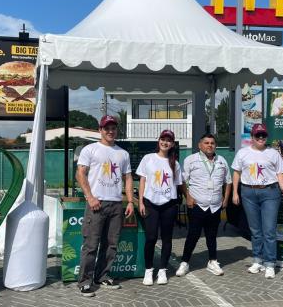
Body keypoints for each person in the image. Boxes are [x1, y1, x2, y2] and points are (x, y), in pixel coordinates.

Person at [75, 115, 134, 297]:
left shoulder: (123, 153)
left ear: (116, 130)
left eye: (113, 128)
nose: (110, 131)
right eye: (106, 128)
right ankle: (85, 282)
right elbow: (81, 174)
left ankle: (102, 276)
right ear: (100, 130)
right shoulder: (90, 149)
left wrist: (130, 201)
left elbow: (128, 178)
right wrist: (90, 197)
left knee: (111, 245)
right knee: (91, 245)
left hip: (116, 204)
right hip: (96, 203)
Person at [231, 124, 283, 278]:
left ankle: (269, 263)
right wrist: (235, 193)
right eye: (257, 136)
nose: (261, 138)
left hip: (270, 192)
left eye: (263, 136)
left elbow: (280, 173)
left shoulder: (273, 153)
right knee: (255, 231)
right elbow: (236, 173)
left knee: (268, 230)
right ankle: (257, 260)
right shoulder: (243, 153)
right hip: (248, 192)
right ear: (252, 137)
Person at [176, 133, 232, 277]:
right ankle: (185, 262)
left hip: (215, 206)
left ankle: (212, 261)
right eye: (206, 143)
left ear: (215, 145)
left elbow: (228, 182)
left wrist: (225, 199)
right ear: (200, 145)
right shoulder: (191, 160)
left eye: (212, 143)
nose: (209, 145)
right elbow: (182, 181)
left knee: (212, 235)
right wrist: (187, 197)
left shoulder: (222, 160)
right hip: (197, 205)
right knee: (193, 235)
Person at [137, 129, 183, 286]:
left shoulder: (175, 163)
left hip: (169, 205)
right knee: (150, 238)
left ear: (172, 144)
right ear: (159, 141)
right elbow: (142, 181)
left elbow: (178, 185)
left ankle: (162, 270)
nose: (165, 142)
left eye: (169, 140)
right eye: (163, 139)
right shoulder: (148, 158)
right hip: (150, 203)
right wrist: (140, 201)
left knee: (167, 238)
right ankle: (149, 270)